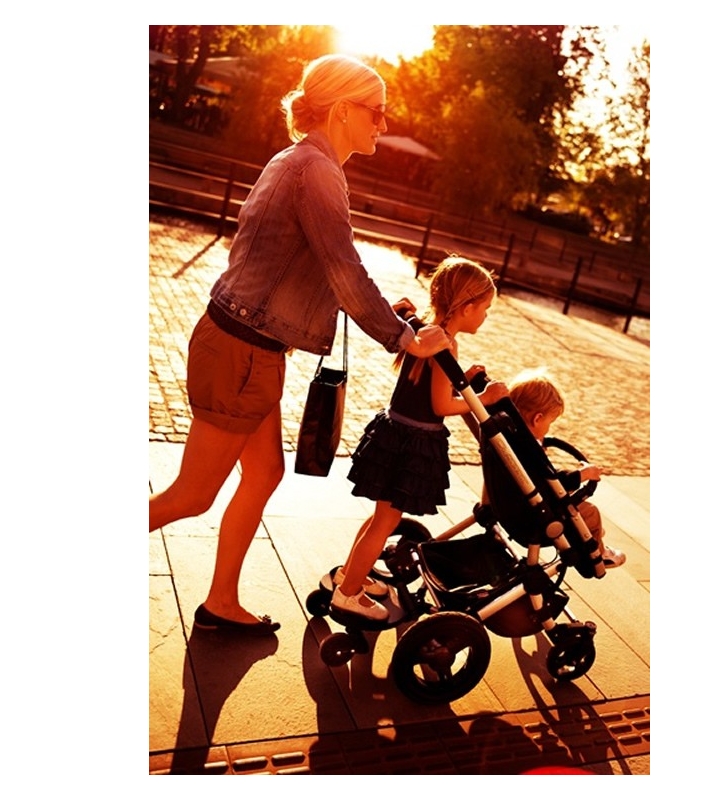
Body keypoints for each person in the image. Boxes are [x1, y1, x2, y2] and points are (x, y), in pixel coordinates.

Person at [149, 54, 451, 636]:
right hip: (241, 352)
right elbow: (342, 266)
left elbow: (316, 269)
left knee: (264, 473)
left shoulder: (300, 161)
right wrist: (402, 338)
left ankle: (221, 602)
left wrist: (390, 314)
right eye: (376, 112)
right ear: (342, 111)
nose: (383, 124)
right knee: (191, 495)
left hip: (248, 348)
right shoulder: (316, 171)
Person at [333, 257, 509, 621]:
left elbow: (432, 386)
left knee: (380, 518)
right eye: (485, 308)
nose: (486, 316)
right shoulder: (445, 345)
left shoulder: (426, 332)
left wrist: (464, 377)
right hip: (412, 442)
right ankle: (348, 593)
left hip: (393, 432)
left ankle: (350, 575)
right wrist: (485, 398)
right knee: (384, 522)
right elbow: (441, 404)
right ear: (467, 307)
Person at [507, 368, 626, 568]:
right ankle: (599, 552)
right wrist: (583, 474)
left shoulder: (511, 437)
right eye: (550, 422)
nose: (549, 428)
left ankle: (595, 532)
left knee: (581, 512)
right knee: (589, 512)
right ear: (537, 419)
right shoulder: (530, 451)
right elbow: (551, 479)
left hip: (511, 508)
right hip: (533, 519)